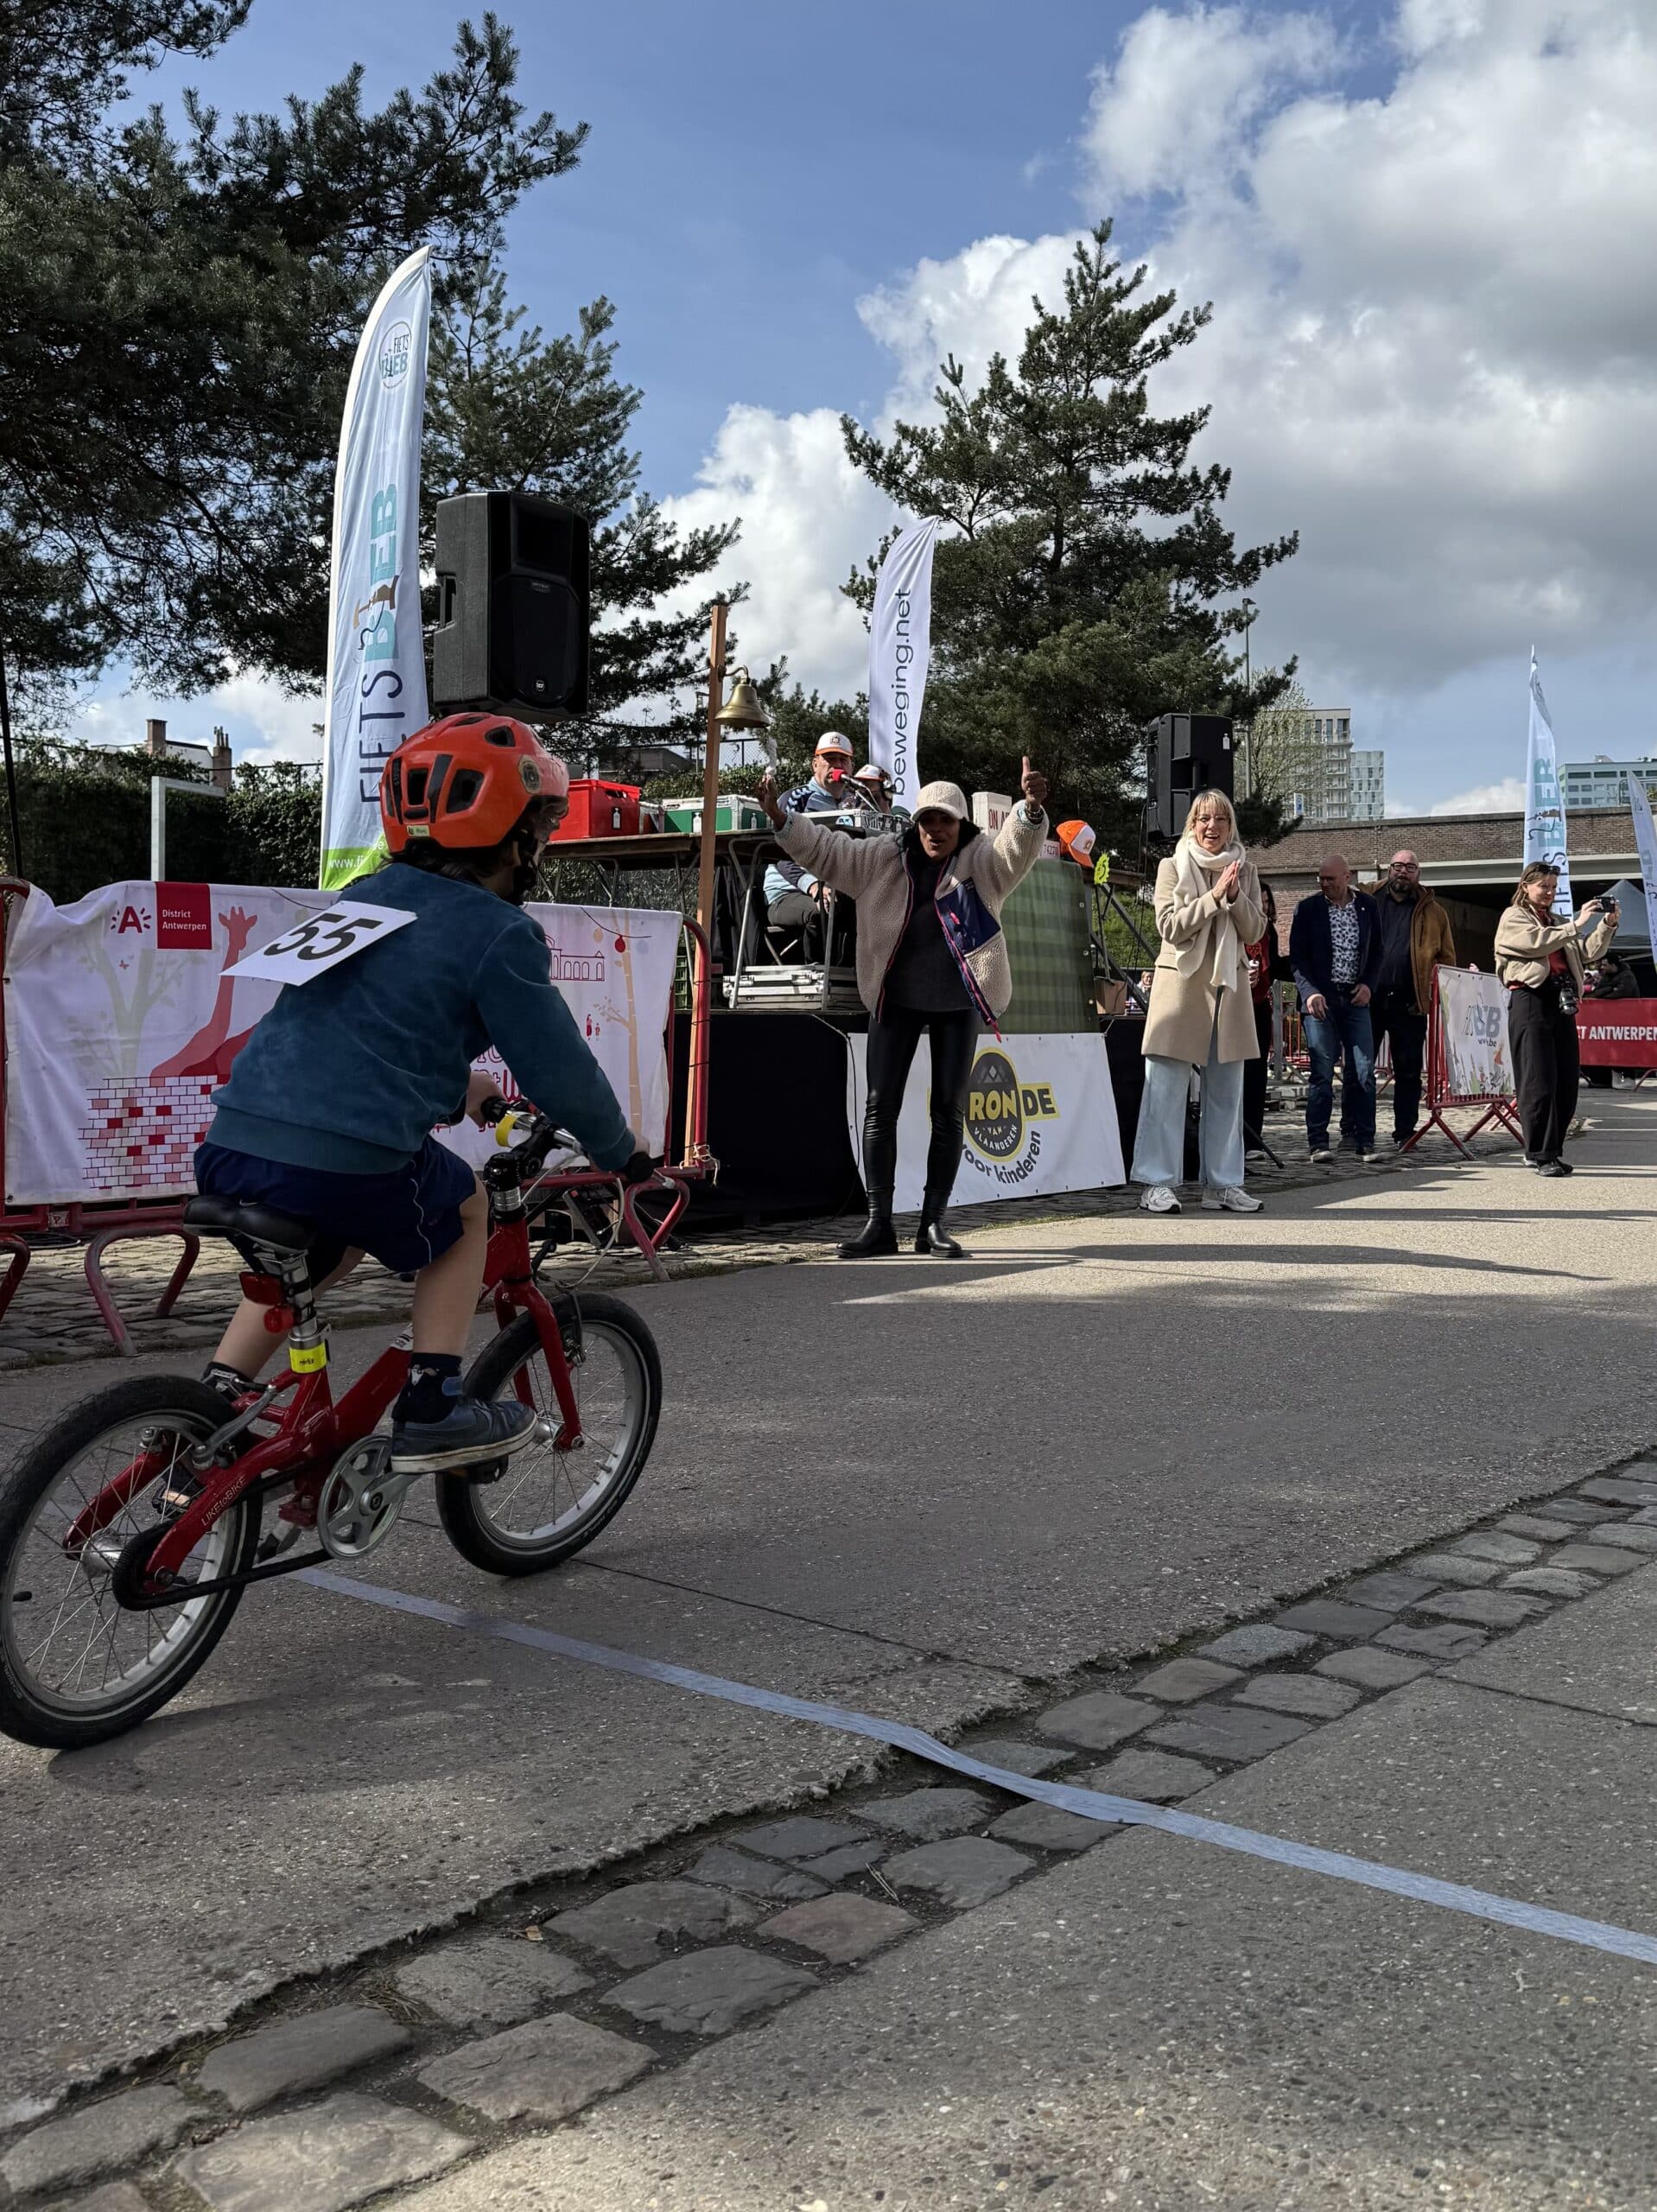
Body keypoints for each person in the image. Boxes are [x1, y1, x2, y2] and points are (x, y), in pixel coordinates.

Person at [194, 711, 647, 1471]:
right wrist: (620, 1148)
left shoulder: (362, 898)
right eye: (541, 824)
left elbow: (351, 1038)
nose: (542, 843)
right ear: (512, 834)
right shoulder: (499, 931)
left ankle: (214, 1403)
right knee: (466, 1207)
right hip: (343, 1158)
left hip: (233, 1142)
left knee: (326, 1245)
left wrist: (463, 1089)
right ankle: (433, 1403)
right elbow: (558, 1068)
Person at [757, 759, 1050, 1257]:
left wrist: (1030, 810)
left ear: (962, 824)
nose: (936, 830)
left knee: (949, 1110)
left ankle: (933, 1224)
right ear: (916, 824)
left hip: (959, 1000)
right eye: (927, 820)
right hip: (895, 998)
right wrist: (781, 819)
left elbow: (1015, 851)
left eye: (945, 821)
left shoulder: (982, 858)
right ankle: (879, 1225)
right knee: (879, 1106)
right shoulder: (882, 856)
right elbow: (827, 850)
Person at [1132, 790, 1266, 1216]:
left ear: (1230, 827)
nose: (1212, 827)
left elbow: (1255, 930)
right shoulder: (1171, 866)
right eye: (1204, 819)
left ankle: (1222, 1186)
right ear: (1192, 824)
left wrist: (1235, 896)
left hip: (1229, 991)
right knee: (1165, 1092)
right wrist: (1213, 898)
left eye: (1221, 820)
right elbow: (1169, 927)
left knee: (1227, 1094)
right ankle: (1156, 1184)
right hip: (1181, 989)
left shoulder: (1246, 869)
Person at [1494, 865, 1617, 1175]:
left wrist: (1606, 925)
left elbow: (1586, 953)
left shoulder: (1559, 922)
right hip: (1530, 998)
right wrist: (1576, 924)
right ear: (1526, 886)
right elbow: (1535, 943)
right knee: (1538, 1080)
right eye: (1543, 886)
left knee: (1565, 1080)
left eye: (1553, 887)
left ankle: (1551, 1150)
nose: (1549, 892)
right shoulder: (1513, 917)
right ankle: (1539, 1153)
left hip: (1561, 1000)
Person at [1290, 855, 1382, 1163]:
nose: (1325, 884)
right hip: (1321, 1001)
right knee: (1322, 1071)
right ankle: (1318, 1142)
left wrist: (1369, 984)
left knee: (1364, 1070)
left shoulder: (1368, 906)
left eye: (1330, 878)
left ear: (1347, 877)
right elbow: (1298, 959)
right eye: (1321, 879)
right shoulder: (1308, 909)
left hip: (1355, 1000)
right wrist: (1309, 993)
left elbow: (1377, 952)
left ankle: (1364, 1140)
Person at [1367, 849, 1457, 1148]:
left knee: (1408, 1072)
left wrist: (1436, 995)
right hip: (1368, 1001)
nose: (1403, 872)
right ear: (1389, 870)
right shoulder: (1367, 900)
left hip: (1410, 1003)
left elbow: (1446, 958)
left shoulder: (1434, 913)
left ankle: (1405, 1132)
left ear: (1418, 874)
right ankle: (1356, 1130)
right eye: (1398, 866)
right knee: (1360, 1069)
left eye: (1410, 867)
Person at [762, 732, 856, 945]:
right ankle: (817, 965)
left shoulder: (855, 803)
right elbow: (780, 855)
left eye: (843, 760)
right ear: (815, 765)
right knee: (827, 909)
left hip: (835, 889)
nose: (837, 765)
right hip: (788, 892)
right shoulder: (796, 799)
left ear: (851, 767)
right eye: (829, 759)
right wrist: (813, 886)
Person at [1241, 879, 1289, 1160]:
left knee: (1257, 1074)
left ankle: (1253, 1140)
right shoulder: (1237, 925)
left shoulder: (1268, 930)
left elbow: (1274, 966)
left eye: (1267, 902)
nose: (1264, 907)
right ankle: (1235, 1137)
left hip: (1259, 1005)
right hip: (1236, 1005)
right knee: (1238, 1073)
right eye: (1259, 901)